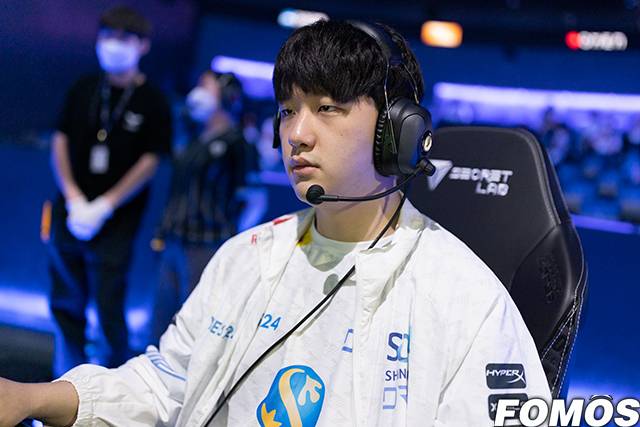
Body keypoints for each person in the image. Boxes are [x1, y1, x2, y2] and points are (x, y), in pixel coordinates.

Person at [0, 20, 550, 427]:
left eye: (328, 108)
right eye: (288, 110)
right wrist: (33, 398)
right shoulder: (245, 258)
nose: (297, 134)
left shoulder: (464, 295)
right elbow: (167, 384)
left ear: (396, 133)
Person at [46, 5, 171, 377]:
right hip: (69, 212)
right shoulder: (84, 88)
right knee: (65, 302)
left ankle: (113, 386)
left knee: (108, 306)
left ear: (143, 45)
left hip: (117, 221)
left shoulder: (153, 101)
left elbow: (150, 161)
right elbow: (59, 141)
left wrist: (105, 204)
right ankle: (64, 381)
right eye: (107, 37)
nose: (113, 45)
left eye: (123, 38)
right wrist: (73, 196)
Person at [149, 70, 261, 343]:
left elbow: (255, 200)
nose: (197, 92)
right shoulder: (192, 139)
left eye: (205, 86)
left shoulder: (238, 144)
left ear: (226, 96)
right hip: (174, 241)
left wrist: (231, 240)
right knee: (161, 325)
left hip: (207, 245)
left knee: (193, 328)